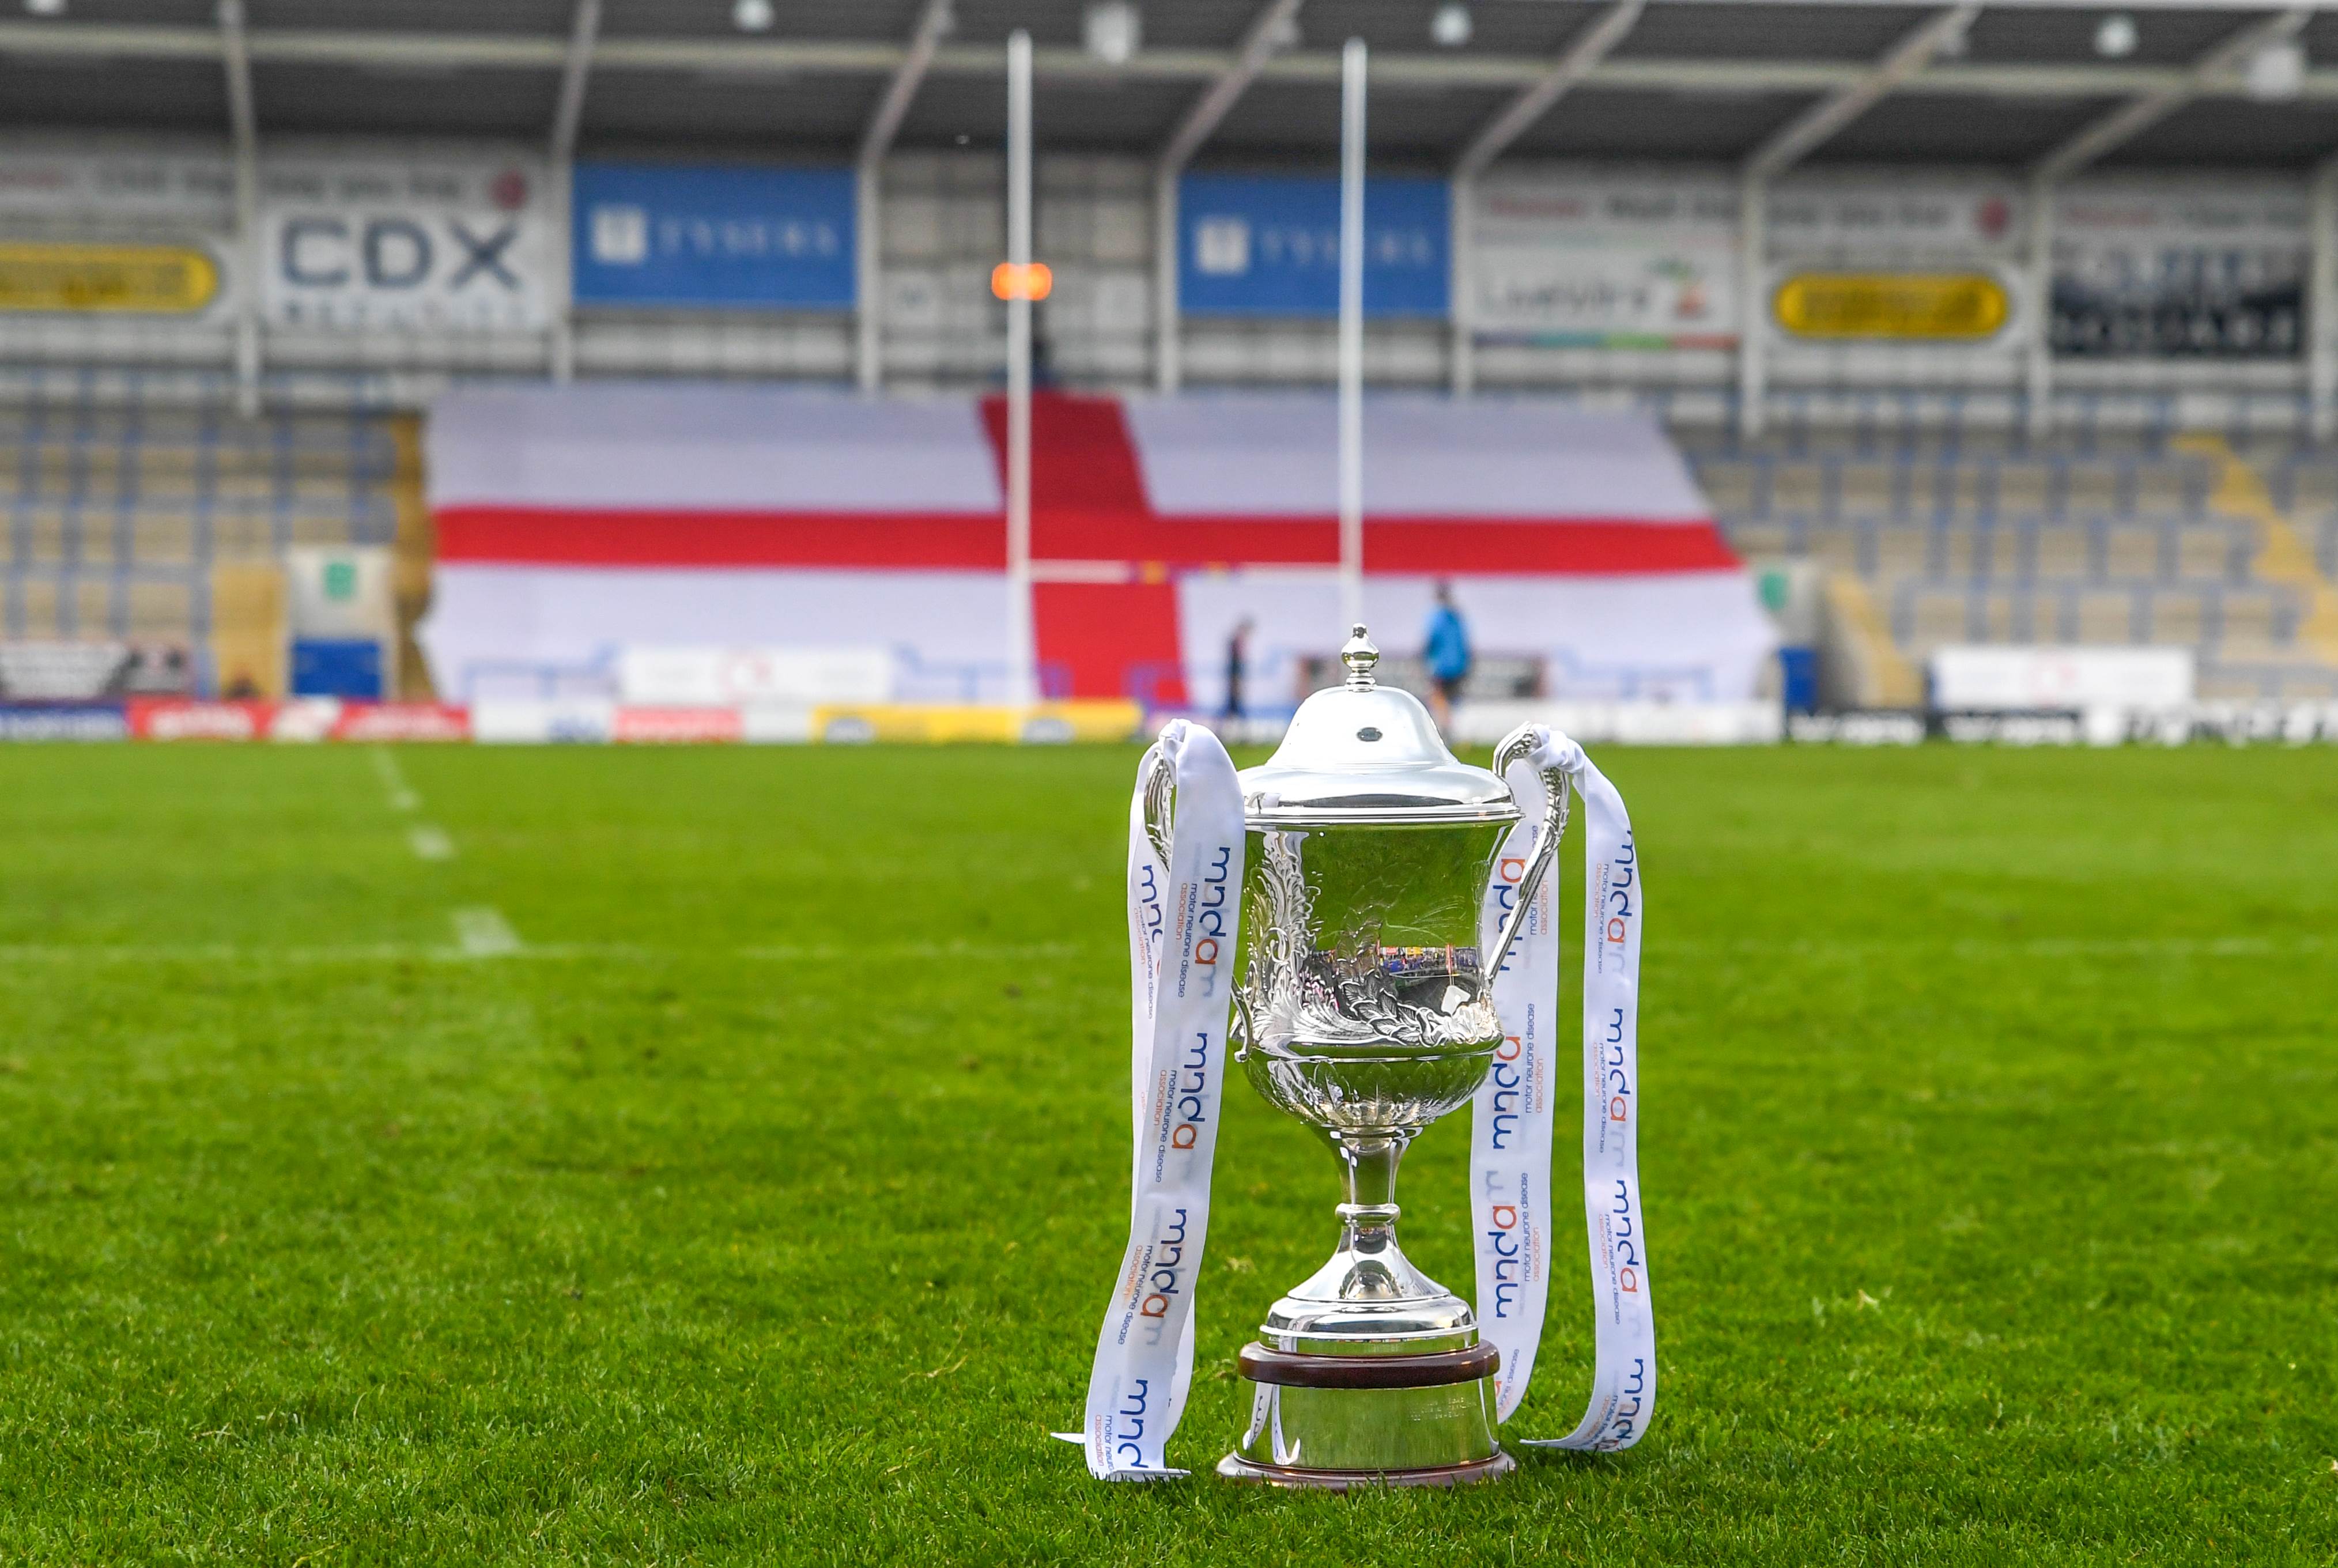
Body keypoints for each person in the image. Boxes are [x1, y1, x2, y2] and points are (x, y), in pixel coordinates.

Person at [1422, 582, 1471, 729]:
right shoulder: (1458, 617)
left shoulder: (1438, 617)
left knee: (1439, 696)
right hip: (1459, 666)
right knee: (1452, 698)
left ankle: (1445, 727)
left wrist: (1423, 658)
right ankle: (1453, 728)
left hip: (1442, 666)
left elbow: (1431, 640)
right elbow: (1465, 643)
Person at [1223, 617, 1253, 720]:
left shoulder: (1237, 645)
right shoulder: (1235, 645)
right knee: (1233, 704)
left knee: (1234, 705)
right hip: (1235, 678)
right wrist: (1237, 683)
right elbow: (1235, 670)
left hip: (1236, 677)